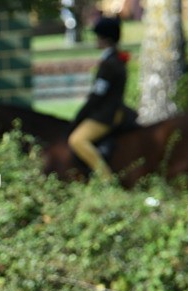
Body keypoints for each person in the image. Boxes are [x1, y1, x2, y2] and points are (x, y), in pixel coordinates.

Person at [68, 16, 131, 182]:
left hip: (106, 114)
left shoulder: (109, 64)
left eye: (98, 37)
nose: (95, 40)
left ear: (106, 39)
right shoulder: (115, 59)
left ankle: (106, 178)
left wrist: (80, 115)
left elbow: (98, 95)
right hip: (114, 110)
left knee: (77, 140)